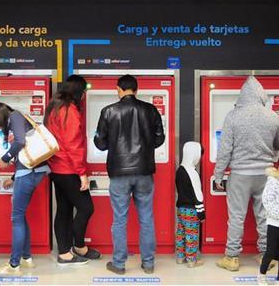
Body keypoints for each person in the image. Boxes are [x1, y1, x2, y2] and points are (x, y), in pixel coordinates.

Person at [94, 74, 165, 275]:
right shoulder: (150, 110)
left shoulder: (108, 111)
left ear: (118, 89)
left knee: (119, 219)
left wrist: (113, 144)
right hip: (144, 172)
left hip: (119, 173)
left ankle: (119, 263)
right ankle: (149, 263)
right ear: (136, 89)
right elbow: (160, 139)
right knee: (146, 218)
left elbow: (100, 143)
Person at [214, 76, 279, 272]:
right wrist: (270, 158)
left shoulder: (233, 116)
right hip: (266, 174)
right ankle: (266, 255)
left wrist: (218, 175)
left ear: (242, 95)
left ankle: (232, 257)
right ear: (261, 95)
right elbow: (277, 146)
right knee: (264, 215)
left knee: (236, 216)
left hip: (240, 175)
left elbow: (225, 150)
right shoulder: (273, 116)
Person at [0, 102, 51, 276]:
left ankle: (14, 264)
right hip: (32, 172)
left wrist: (5, 157)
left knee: (16, 218)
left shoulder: (15, 115)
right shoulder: (20, 117)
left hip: (29, 172)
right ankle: (26, 258)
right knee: (20, 216)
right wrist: (14, 177)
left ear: (0, 114)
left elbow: (20, 142)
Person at [45, 75, 101, 265]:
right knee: (86, 208)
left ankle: (64, 253)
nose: (84, 95)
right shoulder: (70, 110)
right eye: (84, 91)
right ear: (79, 92)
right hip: (68, 169)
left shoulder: (54, 107)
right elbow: (72, 144)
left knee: (64, 210)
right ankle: (78, 246)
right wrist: (82, 173)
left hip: (55, 168)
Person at [175, 142, 205, 268]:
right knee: (191, 235)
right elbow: (198, 194)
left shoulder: (180, 170)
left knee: (181, 233)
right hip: (191, 210)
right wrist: (201, 212)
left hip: (181, 209)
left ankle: (180, 258)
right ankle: (192, 260)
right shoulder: (192, 172)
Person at [258, 166, 279, 285]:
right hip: (274, 222)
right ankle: (262, 275)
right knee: (270, 251)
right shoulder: (273, 181)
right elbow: (267, 201)